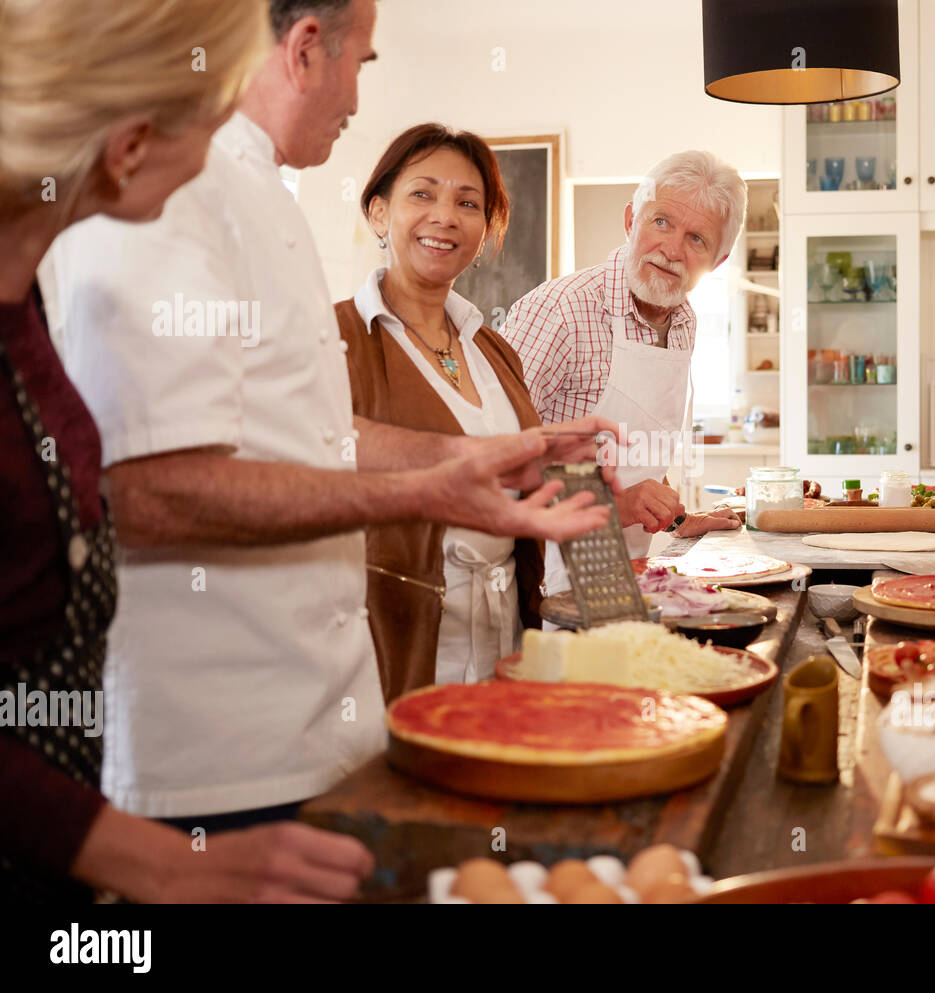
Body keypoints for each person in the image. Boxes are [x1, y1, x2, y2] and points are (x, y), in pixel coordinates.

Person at [51, 0, 610, 836]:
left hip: (324, 718)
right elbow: (146, 491)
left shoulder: (264, 193)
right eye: (365, 63)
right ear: (307, 49)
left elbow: (308, 438)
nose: (356, 95)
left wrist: (482, 458)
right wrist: (429, 491)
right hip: (225, 743)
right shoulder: (172, 188)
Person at [1, 0, 379, 904]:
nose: (227, 143)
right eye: (212, 115)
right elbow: (152, 490)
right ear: (132, 143)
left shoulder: (24, 320)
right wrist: (159, 863)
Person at [337, 124, 615, 693]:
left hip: (506, 644)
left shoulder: (493, 347)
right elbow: (312, 457)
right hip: (399, 647)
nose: (446, 216)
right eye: (423, 193)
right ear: (378, 213)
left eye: (468, 203)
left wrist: (582, 483)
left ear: (485, 230)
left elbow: (528, 485)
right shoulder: (335, 337)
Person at [502, 151, 747, 595]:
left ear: (719, 260)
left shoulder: (684, 321)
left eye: (697, 239)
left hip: (625, 572)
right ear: (631, 219)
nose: (672, 250)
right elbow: (493, 458)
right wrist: (619, 504)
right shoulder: (562, 311)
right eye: (661, 222)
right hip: (544, 580)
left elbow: (638, 445)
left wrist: (676, 517)